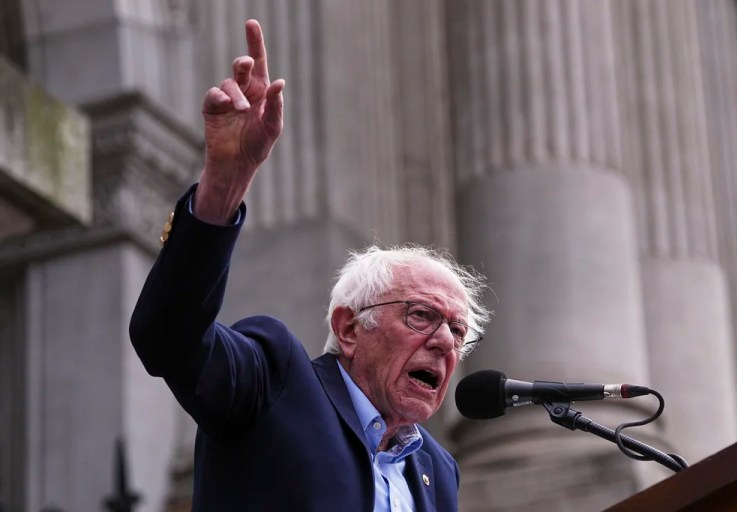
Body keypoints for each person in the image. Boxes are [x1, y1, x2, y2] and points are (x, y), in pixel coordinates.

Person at [129, 19, 491, 512]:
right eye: (422, 315)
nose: (446, 341)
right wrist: (222, 188)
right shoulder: (275, 380)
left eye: (458, 329)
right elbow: (167, 338)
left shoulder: (437, 469)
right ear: (348, 327)